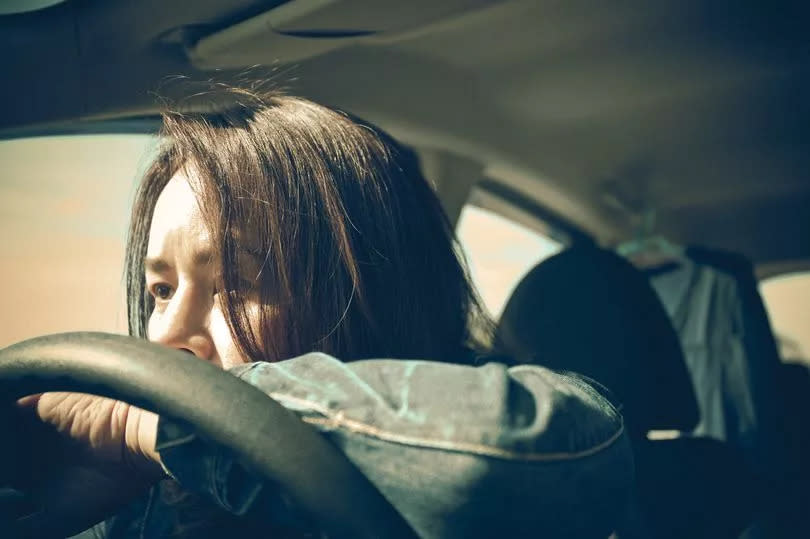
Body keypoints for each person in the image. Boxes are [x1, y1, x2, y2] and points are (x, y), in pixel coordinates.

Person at [6, 87, 633, 538]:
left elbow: (513, 455)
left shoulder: (553, 416)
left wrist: (144, 431)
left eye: (238, 282)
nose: (166, 333)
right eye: (161, 289)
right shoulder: (132, 497)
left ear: (371, 289)